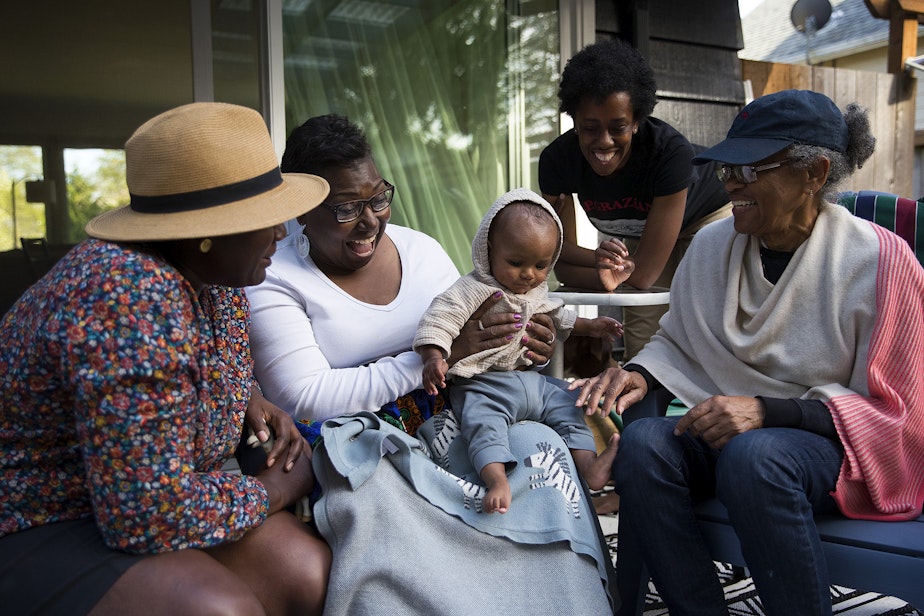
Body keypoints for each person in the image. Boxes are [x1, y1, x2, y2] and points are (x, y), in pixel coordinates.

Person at [573, 89, 924, 615]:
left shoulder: (879, 261)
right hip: (726, 435)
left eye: (750, 168)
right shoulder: (712, 248)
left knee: (755, 455)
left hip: (829, 446)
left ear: (814, 173)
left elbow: (898, 410)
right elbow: (679, 340)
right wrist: (642, 374)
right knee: (645, 442)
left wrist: (766, 412)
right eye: (726, 169)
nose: (730, 183)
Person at [247, 115, 617, 614]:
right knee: (389, 506)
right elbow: (304, 397)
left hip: (460, 414)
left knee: (541, 449)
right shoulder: (275, 278)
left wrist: (527, 341)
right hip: (362, 442)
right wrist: (435, 360)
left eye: (379, 198)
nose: (371, 220)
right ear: (302, 208)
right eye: (345, 208)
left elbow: (483, 327)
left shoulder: (420, 251)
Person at [0, 103, 333, 614]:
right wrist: (273, 491)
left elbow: (181, 367)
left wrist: (250, 396)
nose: (281, 234)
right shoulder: (124, 295)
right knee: (220, 610)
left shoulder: (215, 276)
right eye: (263, 219)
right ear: (204, 230)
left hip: (159, 489)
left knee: (305, 574)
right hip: (46, 514)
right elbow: (146, 512)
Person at [415, 187, 628, 514]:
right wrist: (434, 356)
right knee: (482, 424)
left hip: (531, 383)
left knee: (571, 404)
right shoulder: (473, 289)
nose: (529, 274)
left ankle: (590, 467)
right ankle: (497, 479)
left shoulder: (535, 290)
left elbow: (559, 314)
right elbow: (440, 318)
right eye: (516, 262)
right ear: (489, 249)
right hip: (484, 384)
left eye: (542, 265)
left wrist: (591, 326)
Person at [538, 37, 731, 361]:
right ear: (573, 120)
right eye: (590, 128)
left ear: (637, 121)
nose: (604, 142)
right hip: (646, 234)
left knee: (708, 327)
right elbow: (561, 261)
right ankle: (647, 411)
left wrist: (606, 265)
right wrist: (601, 264)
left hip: (707, 216)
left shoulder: (668, 153)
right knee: (644, 343)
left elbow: (642, 274)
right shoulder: (558, 161)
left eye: (619, 127)